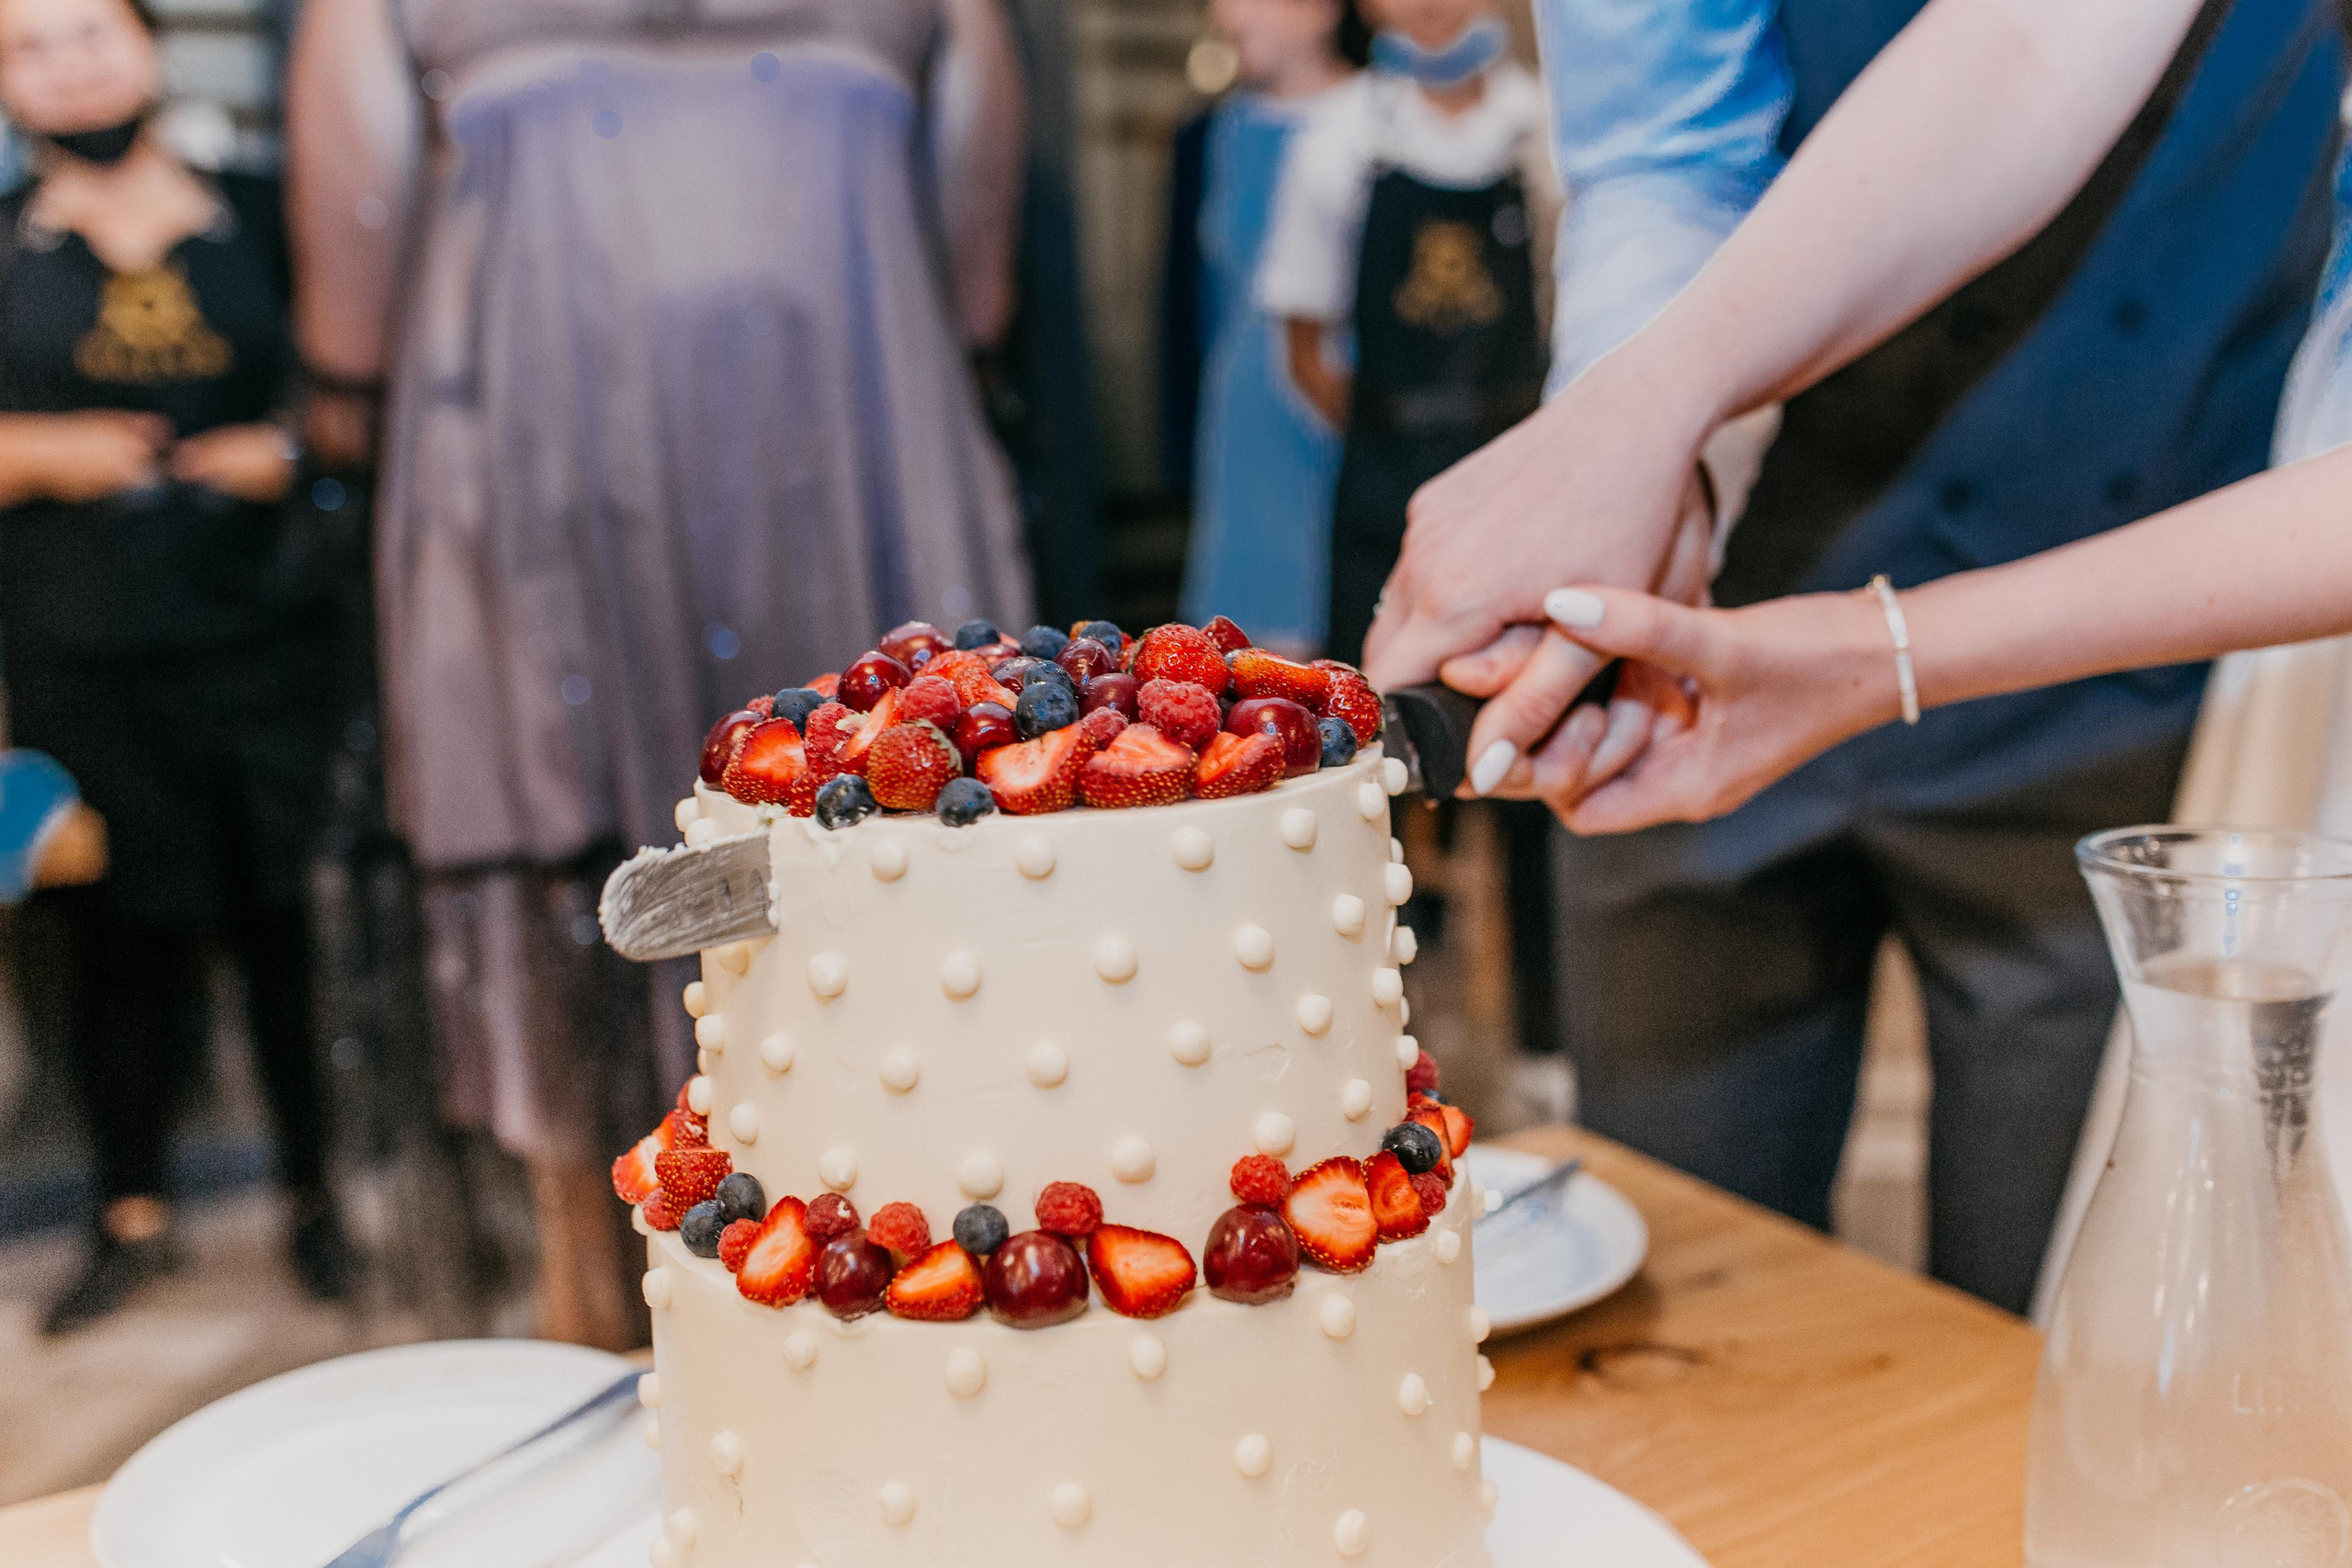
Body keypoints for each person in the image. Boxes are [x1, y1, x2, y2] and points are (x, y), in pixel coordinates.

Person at [1363, 0, 2343, 1314]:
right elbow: (1665, 149)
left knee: (2052, 1316)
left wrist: (1634, 432)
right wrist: (1648, 471)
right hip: (1700, 638)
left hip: (2156, 621)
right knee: (1672, 1287)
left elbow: (2034, 45)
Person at [285, 0, 1032, 1348]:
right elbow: (978, 274)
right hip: (841, 430)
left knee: (590, 835)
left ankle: (607, 1302)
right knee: (879, 820)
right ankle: (896, 1281)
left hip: (542, 440)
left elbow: (352, 315)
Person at [0, 0, 352, 1334]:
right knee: (115, 937)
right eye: (29, 47)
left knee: (287, 923)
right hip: (83, 649)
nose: (69, 66)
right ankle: (129, 1211)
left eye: (91, 32)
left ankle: (316, 1197)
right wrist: (50, 451)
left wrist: (286, 449)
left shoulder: (265, 211)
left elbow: (353, 387)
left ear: (148, 43)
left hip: (273, 635)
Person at [1173, 0, 1364, 656]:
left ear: (1320, 10)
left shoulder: (1380, 118)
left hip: (1340, 407)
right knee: (1246, 664)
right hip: (1244, 422)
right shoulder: (1223, 132)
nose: (1228, 16)